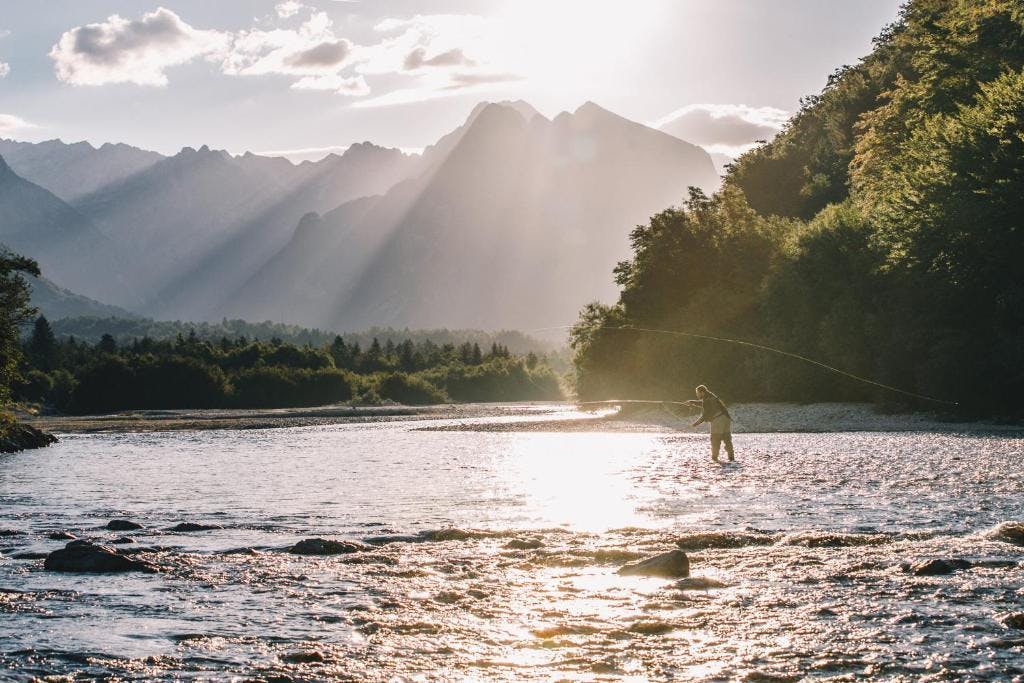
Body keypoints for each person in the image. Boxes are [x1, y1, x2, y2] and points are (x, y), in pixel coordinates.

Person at [686, 384, 734, 462]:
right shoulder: (710, 396)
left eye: (697, 393)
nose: (697, 395)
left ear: (702, 392)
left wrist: (695, 424)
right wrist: (692, 402)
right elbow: (704, 403)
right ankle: (731, 457)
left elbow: (705, 415)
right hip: (726, 418)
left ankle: (714, 458)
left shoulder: (707, 399)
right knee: (727, 438)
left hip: (718, 419)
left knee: (715, 438)